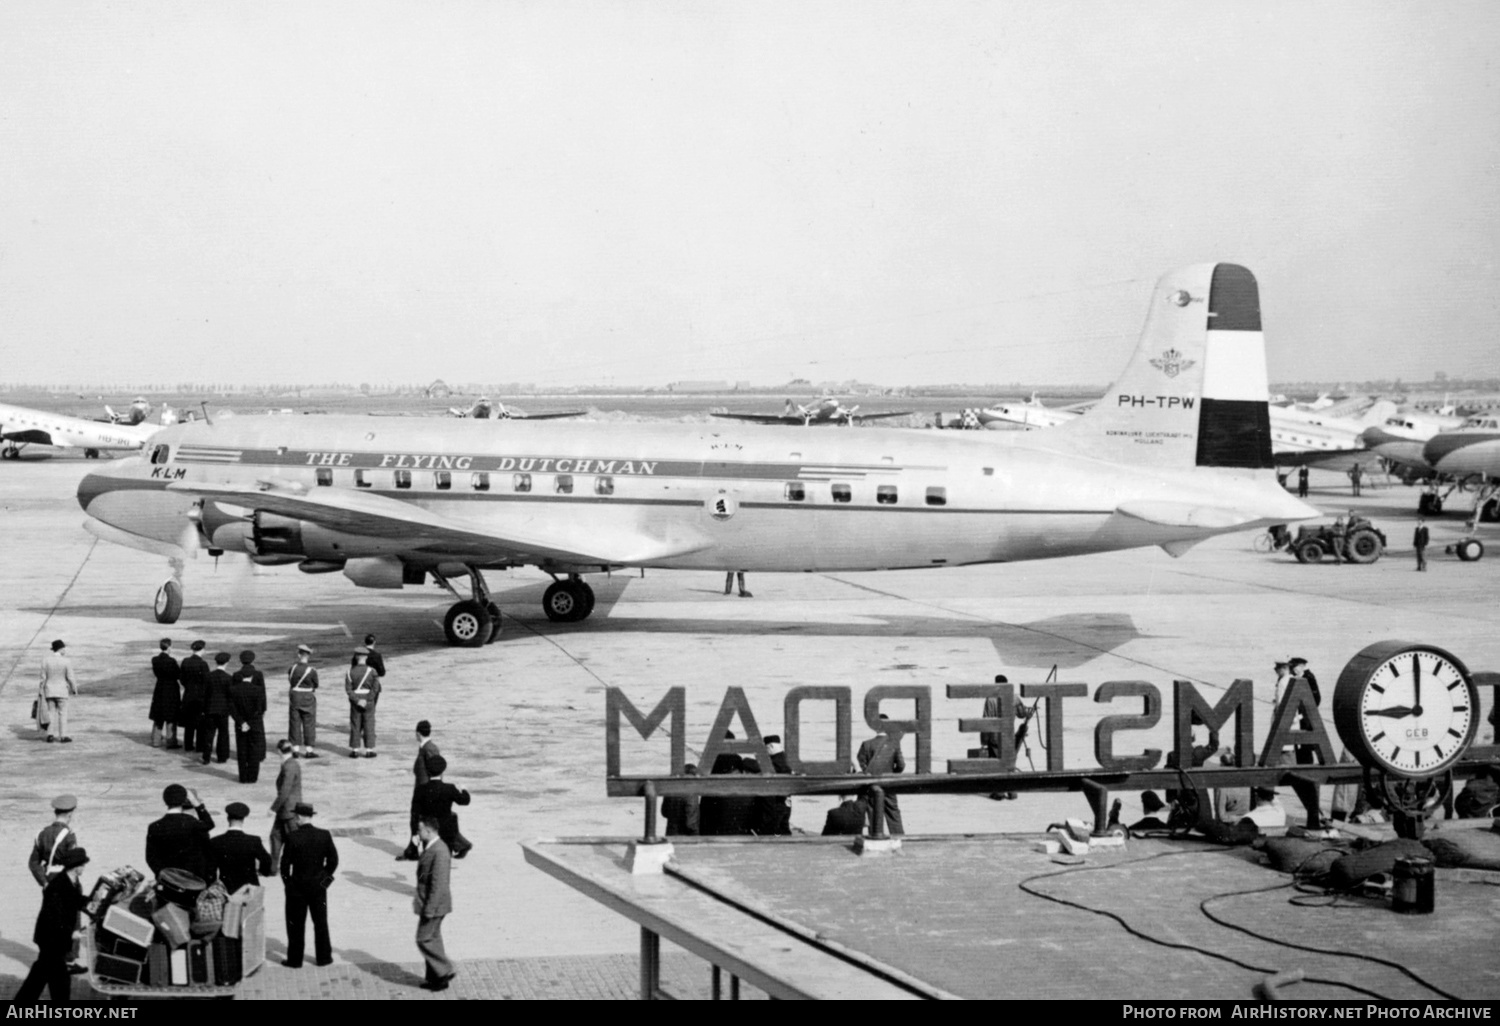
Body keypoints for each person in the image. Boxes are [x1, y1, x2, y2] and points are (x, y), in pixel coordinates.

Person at [15, 847, 91, 1003]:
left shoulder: (70, 881)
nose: (84, 868)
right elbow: (53, 919)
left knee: (43, 975)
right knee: (53, 977)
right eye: (83, 865)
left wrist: (95, 901)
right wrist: (70, 934)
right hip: (51, 938)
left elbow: (76, 901)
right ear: (76, 867)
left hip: (53, 938)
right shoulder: (59, 886)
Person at [280, 803, 338, 968]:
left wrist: (288, 884)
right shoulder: (324, 835)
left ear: (298, 817)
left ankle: (295, 960)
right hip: (318, 888)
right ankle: (324, 957)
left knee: (296, 925)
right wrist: (324, 882)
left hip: (297, 888)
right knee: (320, 923)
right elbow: (333, 861)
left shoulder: (292, 837)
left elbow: (284, 866)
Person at [413, 816, 455, 991]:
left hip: (434, 905)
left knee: (423, 939)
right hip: (430, 903)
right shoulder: (430, 847)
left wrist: (429, 909)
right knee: (434, 939)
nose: (417, 832)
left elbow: (439, 884)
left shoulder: (440, 851)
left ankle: (445, 969)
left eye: (420, 830)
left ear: (428, 831)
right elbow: (423, 875)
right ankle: (436, 980)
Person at [145, 783, 216, 883]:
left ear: (165, 801)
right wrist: (198, 805)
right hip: (192, 879)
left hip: (168, 879)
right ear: (183, 801)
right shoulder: (192, 823)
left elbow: (151, 857)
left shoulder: (154, 826)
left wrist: (162, 874)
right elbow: (209, 824)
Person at [398, 721, 443, 861]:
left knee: (420, 820)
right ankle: (413, 849)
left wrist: (432, 790)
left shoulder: (429, 748)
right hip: (421, 790)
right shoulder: (425, 747)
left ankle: (420, 851)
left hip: (424, 792)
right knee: (416, 820)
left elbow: (437, 769)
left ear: (418, 733)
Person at [414, 756, 474, 858]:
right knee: (452, 818)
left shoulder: (420, 789)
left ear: (427, 772)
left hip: (429, 828)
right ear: (442, 771)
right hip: (446, 827)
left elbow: (415, 811)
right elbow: (465, 801)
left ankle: (461, 845)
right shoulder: (449, 788)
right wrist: (464, 790)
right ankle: (460, 845)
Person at [857, 715, 905, 835]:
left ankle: (876, 841)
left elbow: (862, 765)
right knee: (893, 815)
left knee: (873, 815)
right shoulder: (894, 744)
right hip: (889, 784)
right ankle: (900, 840)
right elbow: (901, 765)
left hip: (872, 785)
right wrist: (892, 775)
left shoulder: (866, 744)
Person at [212, 801, 272, 895]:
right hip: (250, 887)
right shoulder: (253, 840)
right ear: (243, 819)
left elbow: (210, 867)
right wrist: (263, 872)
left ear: (228, 818)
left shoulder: (216, 841)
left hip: (226, 887)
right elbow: (267, 859)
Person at [229, 650, 268, 784]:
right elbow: (262, 701)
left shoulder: (235, 679)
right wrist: (260, 713)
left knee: (242, 748)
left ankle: (243, 776)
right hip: (255, 719)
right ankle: (253, 776)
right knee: (255, 747)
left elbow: (232, 704)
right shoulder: (258, 681)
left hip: (240, 720)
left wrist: (242, 722)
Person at [29, 794, 80, 887]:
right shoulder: (69, 835)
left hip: (49, 880)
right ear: (69, 815)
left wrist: (44, 883)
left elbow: (33, 864)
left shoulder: (41, 834)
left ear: (55, 813)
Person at [269, 739, 303, 875]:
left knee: (293, 841)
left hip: (289, 809)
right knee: (275, 836)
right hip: (287, 809)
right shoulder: (290, 764)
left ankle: (296, 868)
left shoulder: (289, 766)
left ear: (279, 751)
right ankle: (272, 868)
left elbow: (285, 791)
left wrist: (273, 808)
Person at [345, 646, 381, 758]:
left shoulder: (349, 672)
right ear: (366, 657)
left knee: (355, 724)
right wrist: (368, 699)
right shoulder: (372, 671)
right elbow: (376, 687)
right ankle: (369, 750)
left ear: (356, 657)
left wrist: (357, 700)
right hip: (368, 700)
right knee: (369, 724)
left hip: (356, 700)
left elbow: (348, 689)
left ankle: (355, 750)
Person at [752, 735, 792, 835]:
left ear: (769, 747)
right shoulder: (785, 760)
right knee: (783, 826)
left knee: (770, 826)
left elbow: (755, 766)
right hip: (785, 801)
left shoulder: (774, 762)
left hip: (775, 802)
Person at [40, 639, 78, 744]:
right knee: (62, 713)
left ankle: (50, 735)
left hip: (49, 691)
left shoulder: (45, 660)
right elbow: (70, 677)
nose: (65, 650)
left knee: (50, 713)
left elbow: (43, 678)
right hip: (62, 691)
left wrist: (40, 691)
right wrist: (74, 688)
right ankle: (63, 736)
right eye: (64, 648)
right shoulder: (66, 661)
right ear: (60, 649)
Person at [200, 651, 234, 764]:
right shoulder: (229, 678)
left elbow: (203, 694)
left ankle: (206, 756)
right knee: (223, 734)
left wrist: (203, 709)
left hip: (209, 709)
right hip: (223, 710)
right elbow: (230, 696)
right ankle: (222, 757)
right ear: (227, 662)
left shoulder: (208, 676)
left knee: (208, 734)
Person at [287, 643, 320, 759]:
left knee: (294, 723)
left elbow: (290, 681)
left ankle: (295, 750)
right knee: (309, 723)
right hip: (307, 697)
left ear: (298, 655)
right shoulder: (311, 670)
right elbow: (316, 684)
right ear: (309, 656)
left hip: (295, 696)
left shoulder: (292, 668)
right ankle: (309, 750)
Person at [149, 638, 182, 749]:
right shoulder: (171, 661)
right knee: (171, 715)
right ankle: (171, 740)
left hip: (159, 687)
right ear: (169, 647)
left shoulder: (155, 659)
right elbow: (178, 674)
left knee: (159, 715)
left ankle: (156, 740)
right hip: (171, 689)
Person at [1288, 657, 1321, 766]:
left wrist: (1303, 715)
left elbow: (1316, 699)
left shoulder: (1309, 678)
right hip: (1301, 718)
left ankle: (1306, 765)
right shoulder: (1298, 678)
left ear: (1301, 667)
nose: (1293, 670)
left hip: (1306, 719)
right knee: (1300, 745)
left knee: (1305, 745)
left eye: (1294, 667)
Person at [178, 640, 210, 754]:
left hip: (188, 694)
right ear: (202, 649)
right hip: (200, 696)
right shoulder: (203, 664)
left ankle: (188, 745)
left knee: (189, 722)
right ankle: (199, 746)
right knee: (200, 722)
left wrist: (188, 686)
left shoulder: (185, 661)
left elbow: (181, 678)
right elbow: (207, 682)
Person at [661, 764, 700, 836]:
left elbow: (664, 812)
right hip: (686, 837)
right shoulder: (692, 792)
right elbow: (691, 823)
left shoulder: (670, 789)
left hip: (671, 833)